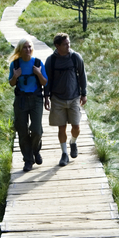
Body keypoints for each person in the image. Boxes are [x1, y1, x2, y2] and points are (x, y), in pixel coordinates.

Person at [44, 33, 87, 167]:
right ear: (57, 46)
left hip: (74, 97)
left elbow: (82, 75)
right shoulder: (51, 60)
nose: (68, 46)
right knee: (61, 128)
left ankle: (73, 142)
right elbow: (47, 80)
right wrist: (46, 97)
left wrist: (83, 93)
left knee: (76, 126)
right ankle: (64, 154)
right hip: (57, 98)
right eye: (65, 44)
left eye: (69, 43)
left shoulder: (75, 57)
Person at [8, 38, 48, 172]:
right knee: (22, 130)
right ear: (20, 49)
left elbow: (44, 82)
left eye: (29, 47)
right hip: (20, 100)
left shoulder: (37, 63)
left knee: (36, 130)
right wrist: (15, 76)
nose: (28, 49)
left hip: (36, 99)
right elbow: (12, 83)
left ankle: (35, 150)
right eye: (25, 47)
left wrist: (37, 72)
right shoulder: (15, 65)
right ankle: (28, 160)